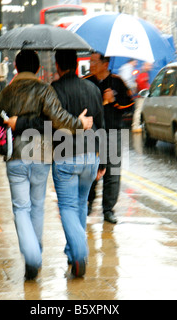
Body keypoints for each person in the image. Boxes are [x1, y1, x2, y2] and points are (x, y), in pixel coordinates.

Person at [0, 50, 93, 280]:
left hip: (15, 155)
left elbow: (0, 118)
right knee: (37, 206)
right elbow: (57, 119)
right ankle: (36, 251)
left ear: (17, 68)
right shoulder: (44, 89)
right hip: (41, 155)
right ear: (39, 69)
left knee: (21, 208)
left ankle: (32, 258)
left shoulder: (6, 92)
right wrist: (78, 124)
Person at [50, 49, 105, 277]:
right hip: (91, 156)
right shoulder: (93, 88)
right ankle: (73, 253)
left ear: (58, 66)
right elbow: (101, 124)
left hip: (65, 157)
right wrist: (103, 161)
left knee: (68, 207)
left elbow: (48, 125)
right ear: (75, 65)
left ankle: (80, 253)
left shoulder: (53, 90)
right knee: (81, 204)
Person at [84, 52, 134, 224]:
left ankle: (108, 209)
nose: (91, 64)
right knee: (91, 170)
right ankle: (88, 203)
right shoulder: (86, 82)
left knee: (112, 172)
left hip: (113, 132)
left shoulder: (117, 82)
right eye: (90, 61)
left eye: (94, 61)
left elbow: (130, 106)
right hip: (92, 133)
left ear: (105, 64)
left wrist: (114, 100)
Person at [133, 62, 152, 132]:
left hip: (141, 95)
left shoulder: (143, 73)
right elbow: (141, 84)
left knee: (139, 111)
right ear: (145, 65)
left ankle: (137, 125)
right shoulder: (143, 74)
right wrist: (147, 90)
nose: (150, 67)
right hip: (142, 96)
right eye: (149, 65)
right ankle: (135, 126)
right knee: (139, 111)